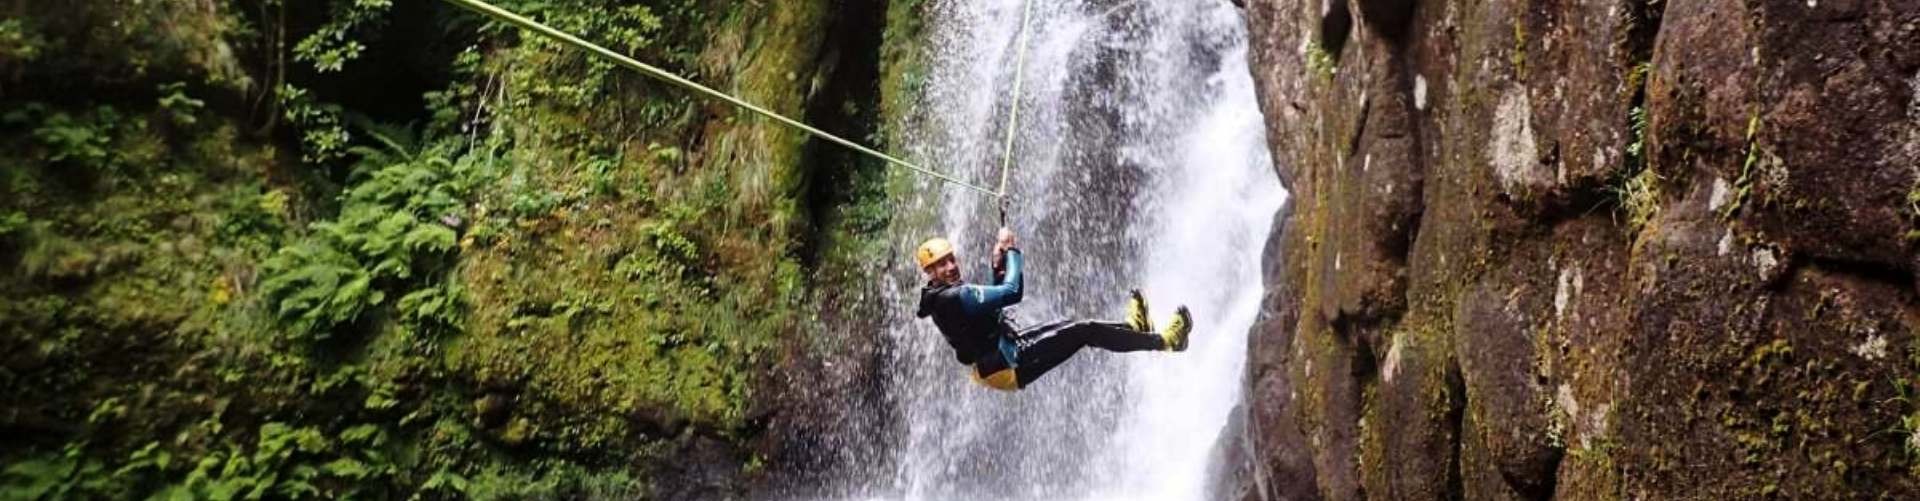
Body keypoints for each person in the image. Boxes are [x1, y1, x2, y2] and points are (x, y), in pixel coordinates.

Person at [913, 227, 1193, 391]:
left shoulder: (945, 296)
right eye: (940, 265)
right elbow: (1012, 293)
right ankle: (1166, 341)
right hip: (1006, 366)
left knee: (1080, 327)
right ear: (929, 272)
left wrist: (998, 266)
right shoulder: (953, 297)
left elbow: (994, 307)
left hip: (1003, 351)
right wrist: (1011, 251)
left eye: (950, 259)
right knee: (1084, 331)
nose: (949, 267)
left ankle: (1134, 330)